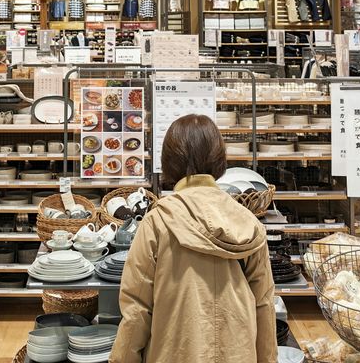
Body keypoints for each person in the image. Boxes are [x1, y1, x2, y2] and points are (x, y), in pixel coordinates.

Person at [112, 114, 275, 363]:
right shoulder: (247, 221)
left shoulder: (158, 221)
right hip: (238, 353)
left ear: (169, 161)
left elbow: (137, 309)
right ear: (219, 159)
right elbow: (263, 305)